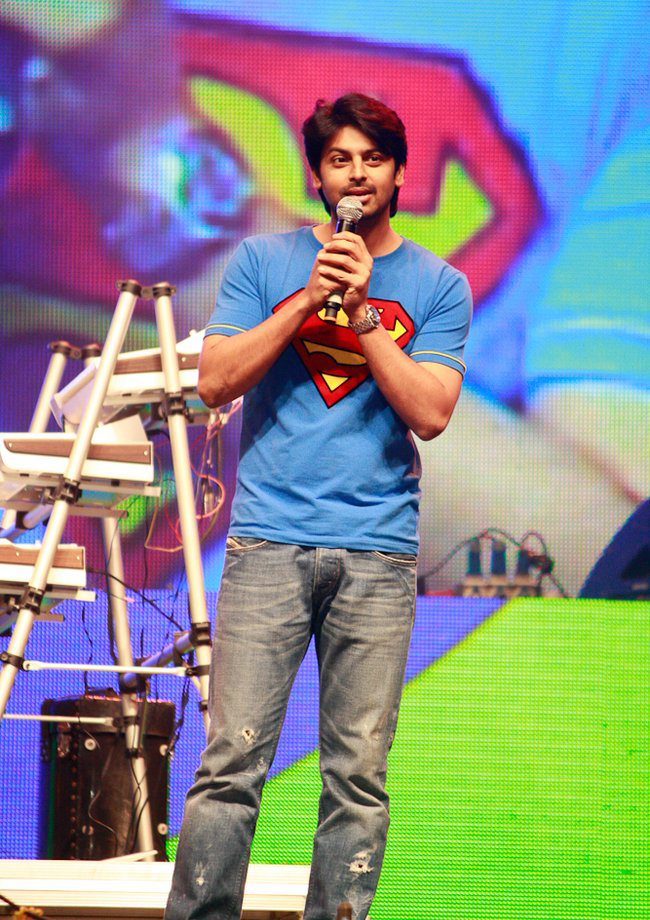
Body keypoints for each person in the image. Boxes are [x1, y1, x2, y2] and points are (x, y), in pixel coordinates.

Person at [165, 92, 472, 920]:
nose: (357, 174)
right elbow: (216, 381)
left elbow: (431, 413)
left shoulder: (440, 286)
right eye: (341, 160)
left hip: (377, 553)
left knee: (357, 778)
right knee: (229, 767)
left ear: (399, 174)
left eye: (373, 159)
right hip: (268, 543)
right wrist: (306, 301)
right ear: (317, 175)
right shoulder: (262, 261)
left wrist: (363, 315)